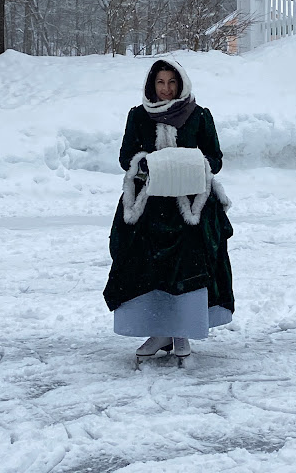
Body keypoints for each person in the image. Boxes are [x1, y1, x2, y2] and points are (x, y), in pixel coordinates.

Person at [103, 59, 234, 364]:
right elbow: (126, 157)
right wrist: (148, 164)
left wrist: (186, 165)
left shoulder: (199, 116)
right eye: (160, 82)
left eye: (172, 82)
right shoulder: (138, 116)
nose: (166, 89)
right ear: (152, 84)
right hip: (150, 207)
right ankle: (160, 331)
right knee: (146, 267)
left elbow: (214, 159)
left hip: (189, 207)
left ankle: (182, 331)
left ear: (182, 83)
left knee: (189, 268)